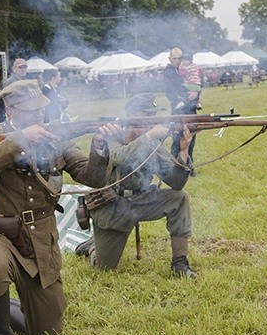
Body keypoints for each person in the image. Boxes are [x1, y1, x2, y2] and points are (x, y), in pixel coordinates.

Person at [0, 79, 119, 335]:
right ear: (10, 110)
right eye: (30, 109)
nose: (38, 114)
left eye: (41, 108)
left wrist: (99, 146)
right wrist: (18, 141)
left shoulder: (55, 136)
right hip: (0, 232)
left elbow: (92, 177)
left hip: (40, 239)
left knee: (48, 331)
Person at [75, 94, 197, 278]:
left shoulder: (153, 143)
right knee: (104, 268)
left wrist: (183, 151)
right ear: (131, 116)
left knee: (179, 198)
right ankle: (93, 246)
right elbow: (119, 157)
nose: (152, 120)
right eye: (146, 115)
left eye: (153, 115)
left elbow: (176, 183)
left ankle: (180, 263)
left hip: (143, 200)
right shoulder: (111, 135)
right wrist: (149, 136)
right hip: (113, 206)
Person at [163, 47, 199, 172]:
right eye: (175, 58)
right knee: (178, 140)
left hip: (190, 109)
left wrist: (196, 94)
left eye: (179, 58)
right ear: (170, 59)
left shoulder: (185, 70)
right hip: (179, 110)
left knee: (191, 139)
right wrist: (189, 95)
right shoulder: (169, 73)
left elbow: (196, 85)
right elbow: (173, 92)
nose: (178, 61)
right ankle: (174, 167)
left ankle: (189, 165)